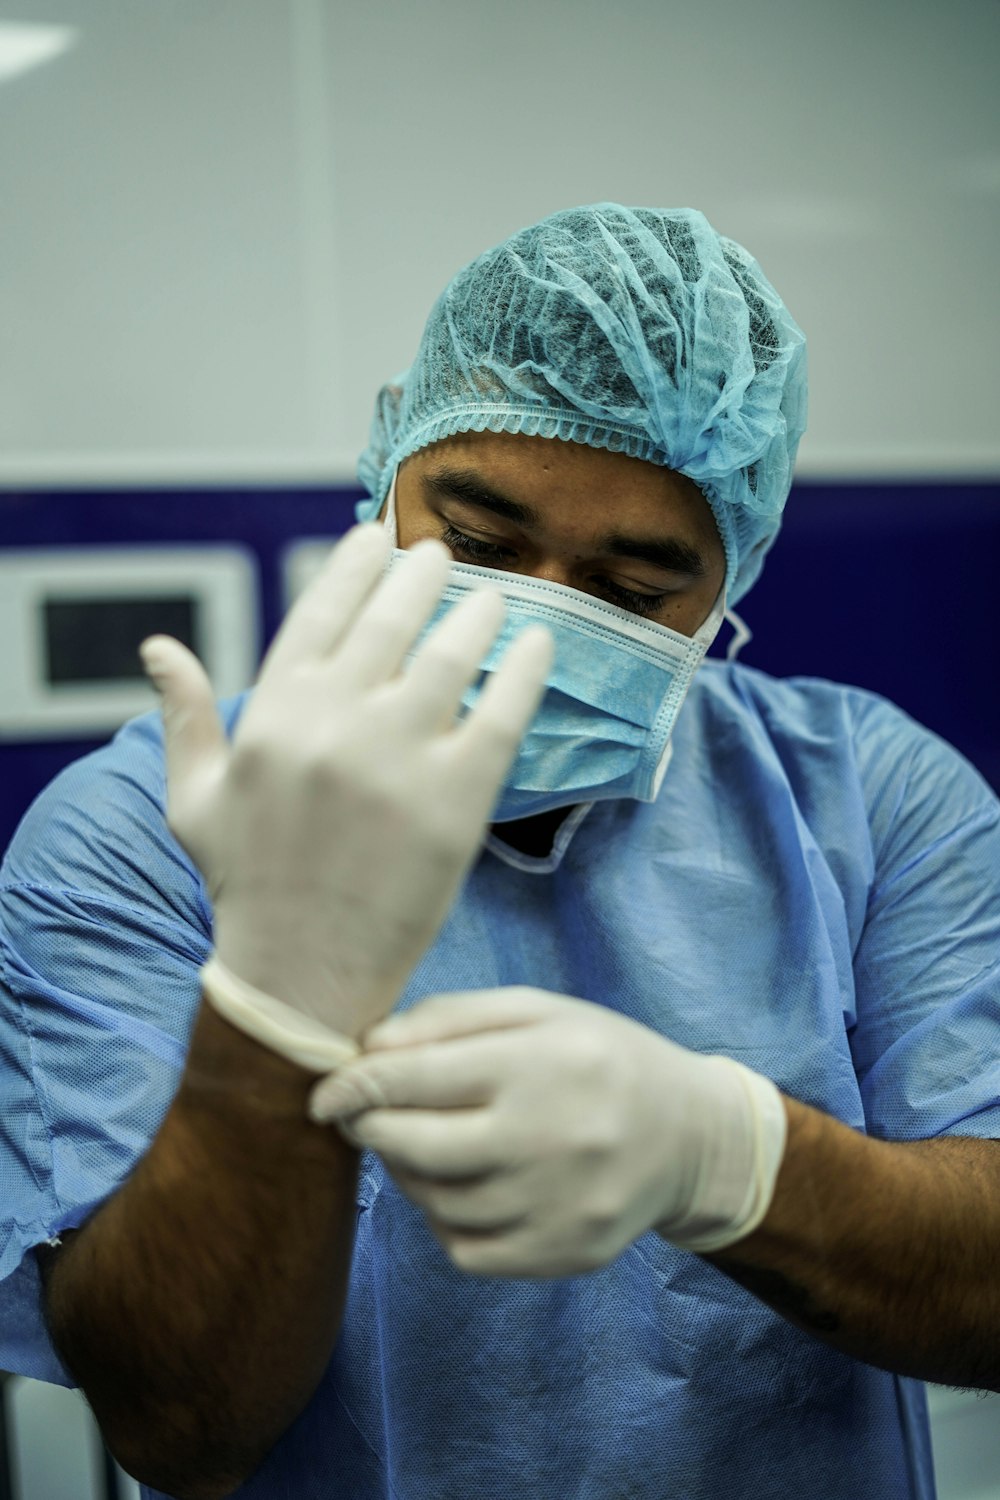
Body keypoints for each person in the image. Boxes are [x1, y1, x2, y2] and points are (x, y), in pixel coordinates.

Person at [1, 204, 998, 1500]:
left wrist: (730, 1158)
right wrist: (274, 1013)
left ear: (728, 577)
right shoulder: (144, 834)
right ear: (385, 475)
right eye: (477, 546)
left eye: (632, 597)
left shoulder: (875, 802)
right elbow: (176, 1424)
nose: (539, 624)